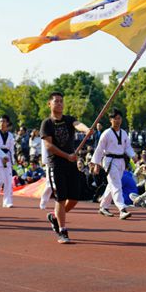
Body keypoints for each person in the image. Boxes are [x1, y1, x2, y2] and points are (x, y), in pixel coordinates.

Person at [40, 91, 91, 244]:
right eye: (56, 101)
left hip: (71, 164)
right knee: (61, 198)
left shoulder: (68, 120)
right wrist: (66, 156)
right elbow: (48, 145)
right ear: (50, 104)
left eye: (61, 101)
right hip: (56, 165)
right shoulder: (47, 123)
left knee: (74, 198)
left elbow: (78, 124)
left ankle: (55, 216)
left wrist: (87, 129)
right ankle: (62, 231)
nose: (60, 104)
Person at [92, 108, 135, 220]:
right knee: (116, 185)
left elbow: (127, 147)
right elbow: (99, 149)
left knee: (113, 184)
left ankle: (103, 206)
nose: (117, 121)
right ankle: (122, 209)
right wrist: (96, 164)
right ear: (110, 120)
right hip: (109, 160)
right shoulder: (106, 133)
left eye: (119, 118)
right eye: (115, 118)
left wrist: (133, 155)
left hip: (121, 161)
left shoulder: (124, 133)